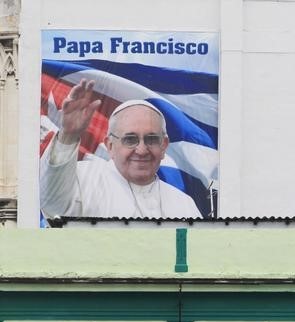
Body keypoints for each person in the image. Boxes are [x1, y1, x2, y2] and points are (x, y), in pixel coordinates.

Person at [40, 79, 202, 219]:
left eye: (151, 139)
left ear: (164, 146)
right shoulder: (83, 179)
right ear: (110, 145)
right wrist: (68, 135)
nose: (141, 150)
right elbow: (50, 200)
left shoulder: (184, 204)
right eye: (130, 139)